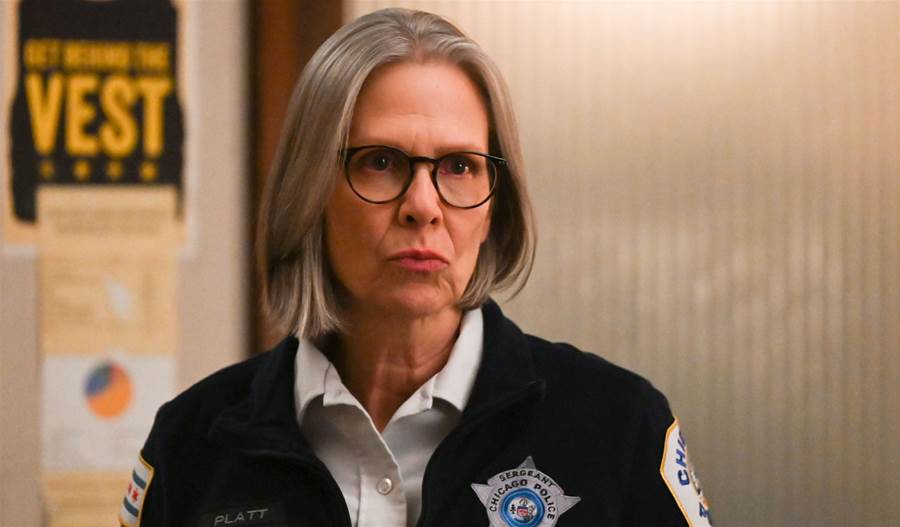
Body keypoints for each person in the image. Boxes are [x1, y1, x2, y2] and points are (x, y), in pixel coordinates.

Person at [119, 8, 712, 527]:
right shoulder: (191, 443)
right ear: (310, 192)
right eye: (380, 162)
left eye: (459, 167)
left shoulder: (618, 427)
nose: (423, 206)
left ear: (494, 207)